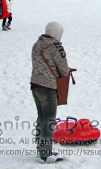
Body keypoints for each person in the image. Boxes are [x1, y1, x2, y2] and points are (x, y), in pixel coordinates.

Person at [30, 22, 69, 163]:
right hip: (48, 87)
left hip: (35, 85)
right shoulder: (55, 47)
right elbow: (63, 69)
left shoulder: (37, 44)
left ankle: (41, 149)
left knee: (41, 118)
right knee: (49, 120)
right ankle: (46, 154)